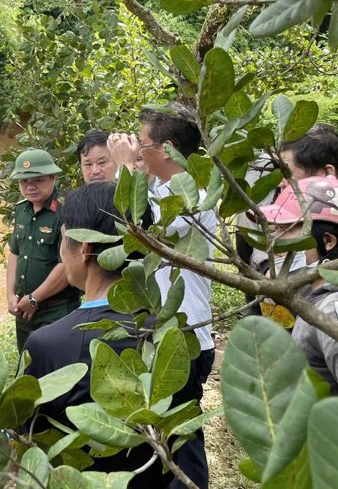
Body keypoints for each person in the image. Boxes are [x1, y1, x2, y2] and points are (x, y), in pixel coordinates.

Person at [23, 182, 197, 488]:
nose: (61, 254)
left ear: (86, 249)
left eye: (64, 241)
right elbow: (187, 443)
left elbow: (28, 440)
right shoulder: (171, 335)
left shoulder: (47, 344)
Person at [109, 105, 214, 488]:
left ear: (167, 148)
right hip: (164, 332)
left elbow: (141, 234)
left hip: (186, 336)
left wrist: (123, 166)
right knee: (160, 433)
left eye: (144, 143)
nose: (138, 149)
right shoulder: (160, 189)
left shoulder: (192, 195)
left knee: (183, 437)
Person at [260, 176, 338, 406]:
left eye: (286, 230)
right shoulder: (318, 299)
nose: (274, 241)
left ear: (328, 241)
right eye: (275, 229)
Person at [7, 149, 81, 352]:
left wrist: (34, 299)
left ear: (53, 177)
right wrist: (10, 295)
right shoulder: (22, 210)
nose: (30, 186)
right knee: (27, 371)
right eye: (24, 182)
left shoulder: (66, 212)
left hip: (56, 311)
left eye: (37, 180)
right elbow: (15, 253)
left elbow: (67, 264)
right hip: (24, 311)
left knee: (56, 372)